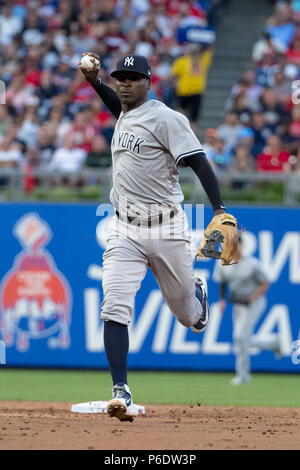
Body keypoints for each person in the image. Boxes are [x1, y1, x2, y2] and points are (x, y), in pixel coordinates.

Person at [79, 53, 227, 421]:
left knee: (186, 315)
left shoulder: (167, 118)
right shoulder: (126, 113)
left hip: (168, 227)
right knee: (114, 304)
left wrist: (220, 210)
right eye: (120, 78)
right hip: (124, 228)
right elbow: (122, 110)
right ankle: (121, 391)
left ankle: (197, 297)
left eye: (133, 78)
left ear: (148, 82)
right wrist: (96, 83)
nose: (125, 83)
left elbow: (198, 161)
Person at [216, 235, 283, 386]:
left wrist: (251, 298)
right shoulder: (223, 263)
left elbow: (265, 283)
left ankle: (243, 375)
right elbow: (222, 282)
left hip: (254, 302)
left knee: (240, 336)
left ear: (242, 246)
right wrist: (221, 301)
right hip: (238, 304)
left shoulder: (252, 264)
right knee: (241, 338)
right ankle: (273, 342)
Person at [171, 43, 213, 132]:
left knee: (186, 115)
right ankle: (182, 132)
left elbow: (173, 74)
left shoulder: (183, 61)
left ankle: (181, 132)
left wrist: (176, 83)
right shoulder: (202, 60)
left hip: (188, 90)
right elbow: (210, 50)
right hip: (190, 91)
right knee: (189, 116)